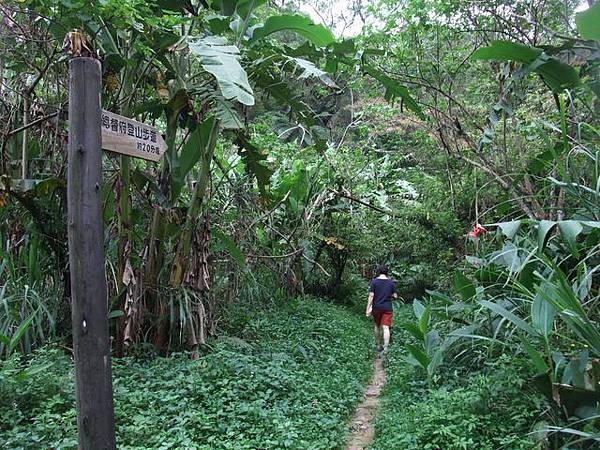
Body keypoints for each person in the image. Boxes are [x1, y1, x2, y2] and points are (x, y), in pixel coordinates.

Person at [366, 265, 397, 352]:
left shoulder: (374, 282)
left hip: (376, 307)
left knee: (377, 325)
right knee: (386, 327)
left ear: (379, 271)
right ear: (387, 272)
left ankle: (378, 345)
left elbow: (371, 295)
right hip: (387, 307)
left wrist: (368, 308)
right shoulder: (391, 283)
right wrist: (390, 295)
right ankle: (386, 348)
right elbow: (395, 295)